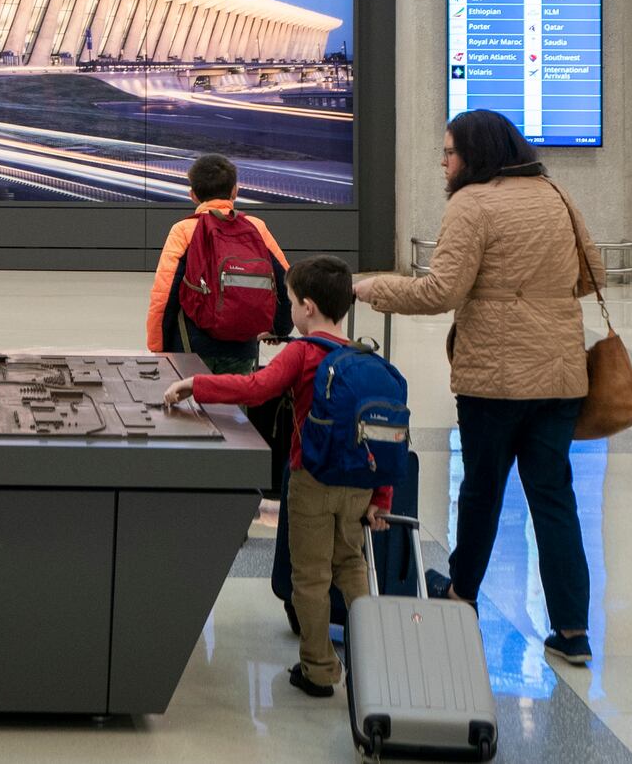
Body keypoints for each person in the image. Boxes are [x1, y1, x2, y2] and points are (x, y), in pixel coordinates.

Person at [352, 108, 601, 667]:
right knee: (554, 497)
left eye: (449, 152)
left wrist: (376, 289)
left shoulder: (472, 203)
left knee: (482, 490)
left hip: (495, 376)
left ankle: (462, 591)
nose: (443, 163)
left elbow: (441, 290)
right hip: (560, 373)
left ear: (476, 155)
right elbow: (595, 274)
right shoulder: (554, 194)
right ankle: (573, 629)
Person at [162, 256, 392, 702]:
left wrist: (197, 385)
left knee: (310, 576)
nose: (288, 311)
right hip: (359, 486)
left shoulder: (302, 354)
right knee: (351, 565)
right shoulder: (367, 357)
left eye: (289, 303)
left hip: (311, 480)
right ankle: (373, 659)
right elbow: (385, 435)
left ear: (307, 307)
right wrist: (380, 496)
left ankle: (319, 670)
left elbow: (255, 389)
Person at [145, 152, 293, 371]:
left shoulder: (184, 231)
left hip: (191, 349)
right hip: (242, 350)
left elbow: (165, 294)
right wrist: (278, 328)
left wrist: (159, 348)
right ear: (235, 190)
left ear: (193, 195)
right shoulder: (256, 227)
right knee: (235, 404)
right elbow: (287, 283)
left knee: (190, 406)